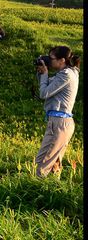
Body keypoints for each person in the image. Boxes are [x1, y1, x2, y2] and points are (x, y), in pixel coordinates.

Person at [34, 46, 80, 178]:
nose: (49, 60)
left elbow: (44, 93)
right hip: (61, 123)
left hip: (59, 124)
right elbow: (48, 85)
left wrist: (44, 74)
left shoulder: (65, 75)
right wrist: (42, 73)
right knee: (54, 164)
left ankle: (36, 192)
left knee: (43, 163)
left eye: (51, 58)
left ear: (62, 60)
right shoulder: (68, 73)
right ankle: (53, 192)